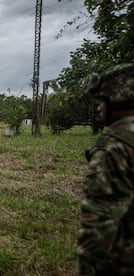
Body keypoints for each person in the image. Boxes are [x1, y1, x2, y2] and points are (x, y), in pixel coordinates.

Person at [77, 63, 134, 275]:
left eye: (102, 101)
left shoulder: (112, 146)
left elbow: (98, 224)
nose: (99, 108)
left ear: (120, 100)